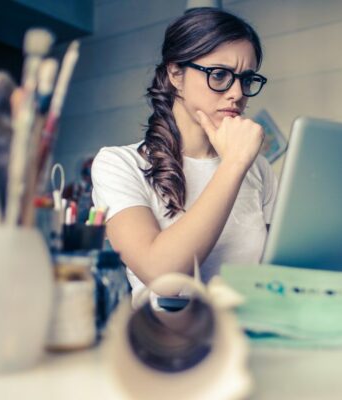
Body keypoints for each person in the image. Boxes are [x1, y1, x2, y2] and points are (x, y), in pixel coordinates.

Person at [91, 7, 278, 301]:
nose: (237, 94)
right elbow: (163, 279)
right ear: (176, 73)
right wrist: (233, 164)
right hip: (166, 341)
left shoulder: (259, 170)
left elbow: (273, 276)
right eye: (219, 75)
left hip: (249, 339)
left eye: (246, 79)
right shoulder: (118, 164)